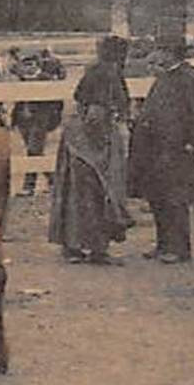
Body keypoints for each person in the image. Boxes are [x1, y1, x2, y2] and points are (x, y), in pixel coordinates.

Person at [128, 36, 194, 263]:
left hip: (178, 148)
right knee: (157, 196)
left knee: (174, 197)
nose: (157, 54)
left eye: (161, 50)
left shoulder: (190, 78)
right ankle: (163, 245)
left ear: (171, 53)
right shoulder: (165, 76)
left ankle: (179, 249)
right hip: (156, 147)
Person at [49, 35, 132, 265]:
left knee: (74, 193)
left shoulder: (94, 71)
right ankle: (96, 248)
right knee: (96, 192)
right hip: (91, 141)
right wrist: (102, 147)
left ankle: (73, 246)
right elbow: (96, 115)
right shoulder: (107, 74)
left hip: (77, 137)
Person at [10, 50, 66, 195]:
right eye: (25, 64)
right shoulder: (22, 79)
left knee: (33, 150)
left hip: (40, 119)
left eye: (31, 64)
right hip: (23, 119)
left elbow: (57, 101)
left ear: (37, 64)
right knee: (35, 151)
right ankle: (53, 179)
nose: (28, 67)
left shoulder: (45, 78)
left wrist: (52, 118)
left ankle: (29, 187)